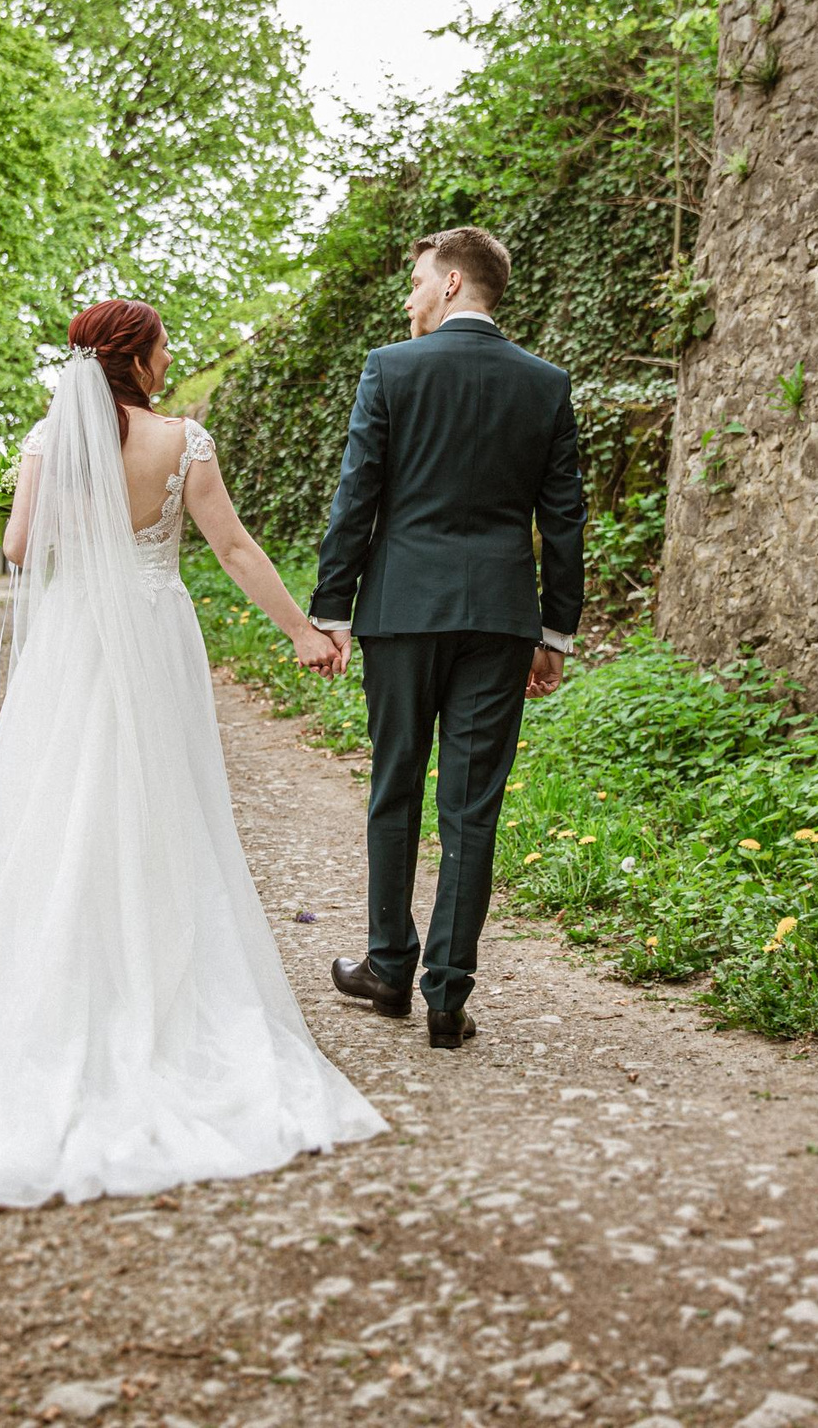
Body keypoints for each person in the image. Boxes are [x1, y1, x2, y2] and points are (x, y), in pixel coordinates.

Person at [0, 299, 384, 1215]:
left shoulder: (48, 437)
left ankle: (56, 988)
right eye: (162, 346)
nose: (170, 356)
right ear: (138, 361)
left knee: (62, 803)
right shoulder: (184, 441)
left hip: (72, 640)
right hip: (153, 633)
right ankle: (160, 987)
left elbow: (23, 546)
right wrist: (302, 629)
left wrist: (85, 517)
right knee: (160, 806)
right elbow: (229, 546)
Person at [311, 226, 586, 1050]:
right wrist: (555, 628)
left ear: (456, 283)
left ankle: (389, 964)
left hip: (400, 613)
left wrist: (333, 605)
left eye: (419, 280)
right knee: (472, 807)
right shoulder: (545, 383)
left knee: (395, 784)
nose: (410, 297)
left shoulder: (391, 368)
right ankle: (446, 995)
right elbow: (564, 517)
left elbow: (357, 493)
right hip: (500, 620)